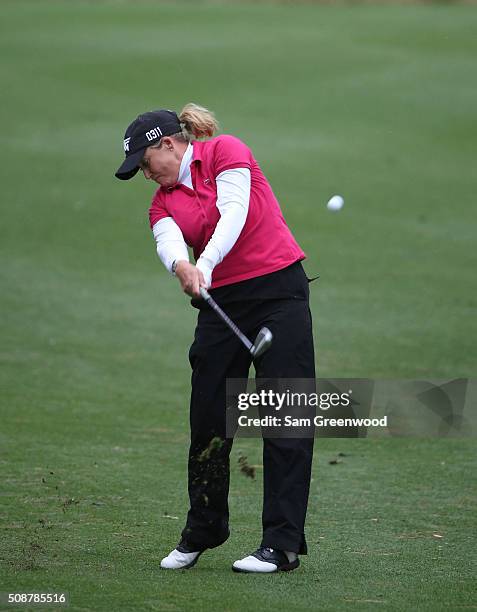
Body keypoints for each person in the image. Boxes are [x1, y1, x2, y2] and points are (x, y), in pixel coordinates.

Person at [115, 103, 316, 573]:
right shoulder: (163, 200)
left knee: (286, 416)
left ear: (168, 144)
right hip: (220, 307)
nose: (146, 175)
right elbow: (166, 240)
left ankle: (281, 544)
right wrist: (180, 265)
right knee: (209, 416)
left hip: (278, 294)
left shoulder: (226, 151)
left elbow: (234, 214)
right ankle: (204, 527)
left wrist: (201, 265)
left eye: (146, 163)